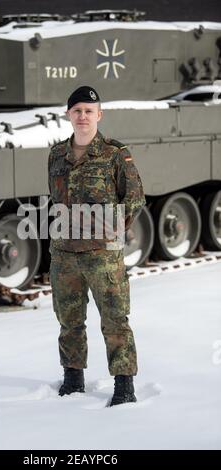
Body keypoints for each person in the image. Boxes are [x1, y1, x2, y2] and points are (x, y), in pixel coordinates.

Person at [48, 85, 145, 406]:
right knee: (69, 320)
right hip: (64, 255)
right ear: (68, 115)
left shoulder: (116, 154)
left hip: (103, 256)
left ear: (99, 115)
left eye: (89, 111)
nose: (83, 116)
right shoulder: (56, 154)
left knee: (115, 319)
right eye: (77, 111)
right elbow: (55, 199)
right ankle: (73, 378)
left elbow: (133, 201)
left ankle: (123, 384)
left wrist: (108, 233)